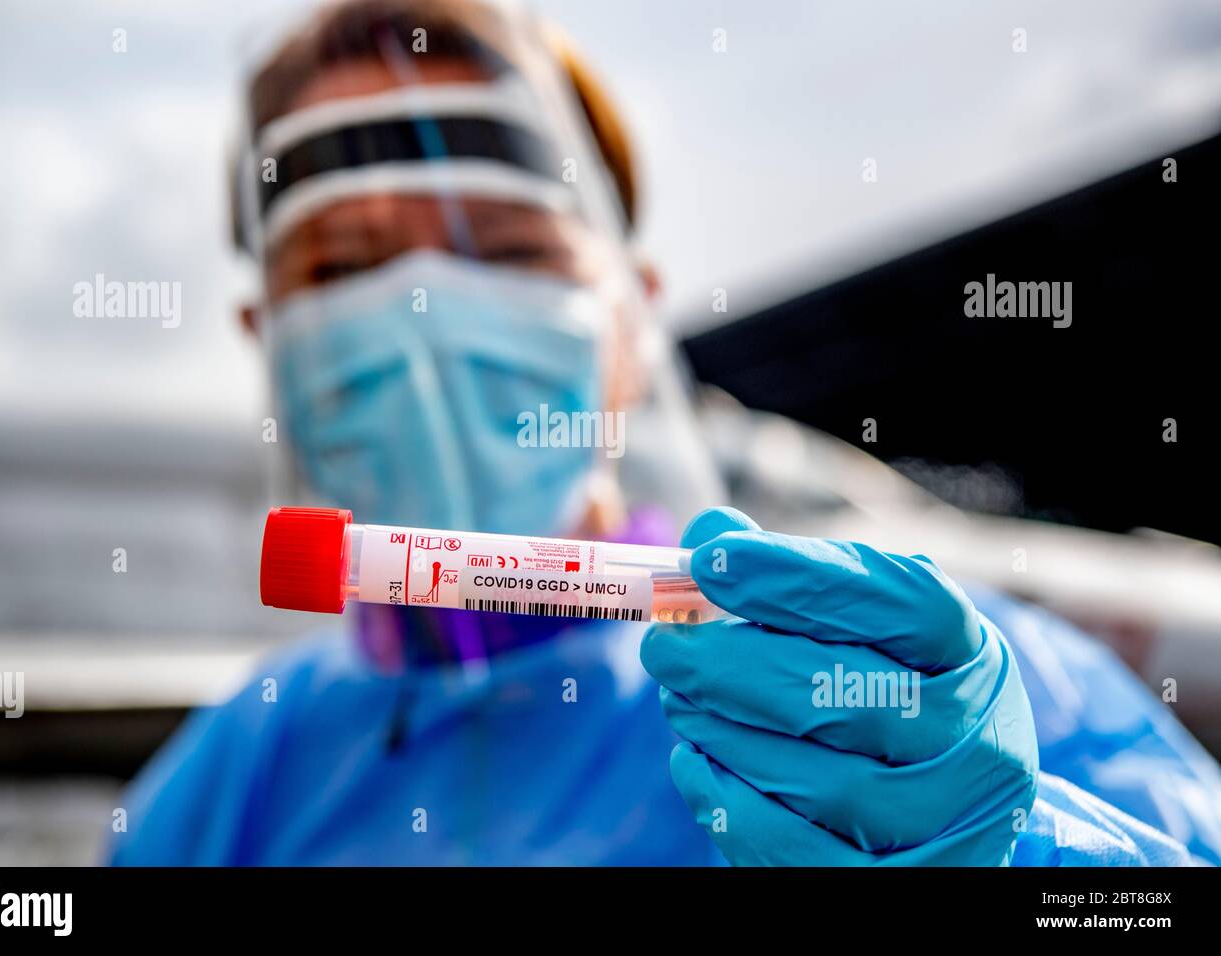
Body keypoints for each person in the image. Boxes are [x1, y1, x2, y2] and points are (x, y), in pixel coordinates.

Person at [110, 0, 1221, 866]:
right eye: (344, 265)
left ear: (629, 323)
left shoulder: (927, 679)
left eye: (505, 250)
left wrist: (1015, 847)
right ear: (266, 335)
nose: (421, 311)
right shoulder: (241, 770)